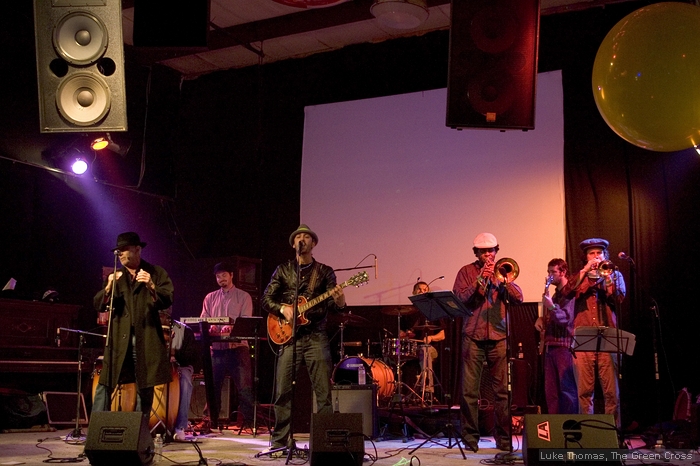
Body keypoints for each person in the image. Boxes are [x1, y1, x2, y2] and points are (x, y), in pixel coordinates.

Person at [261, 224, 346, 455]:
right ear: (293, 244)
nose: (302, 239)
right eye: (298, 236)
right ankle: (279, 442)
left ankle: (326, 441)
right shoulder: (283, 270)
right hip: (288, 338)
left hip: (316, 336)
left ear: (313, 243)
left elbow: (332, 305)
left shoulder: (325, 271)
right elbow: (266, 299)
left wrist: (339, 301)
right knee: (282, 391)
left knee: (323, 392)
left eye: (306, 237)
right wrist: (282, 309)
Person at [452, 232, 523, 453]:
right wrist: (480, 279)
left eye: (491, 250)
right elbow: (460, 298)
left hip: (499, 336)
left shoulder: (503, 270)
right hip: (473, 336)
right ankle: (470, 438)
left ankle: (503, 439)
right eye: (483, 251)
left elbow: (519, 298)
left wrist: (504, 281)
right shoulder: (466, 272)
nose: (488, 254)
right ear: (477, 253)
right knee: (469, 392)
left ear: (496, 251)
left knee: (502, 392)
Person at [92, 232, 174, 417]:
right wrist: (108, 287)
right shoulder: (116, 276)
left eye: (124, 250)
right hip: (119, 340)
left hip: (145, 338)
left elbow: (168, 299)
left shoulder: (156, 273)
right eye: (117, 251)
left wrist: (151, 285)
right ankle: (97, 430)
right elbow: (98, 304)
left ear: (138, 249)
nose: (120, 254)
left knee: (144, 384)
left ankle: (139, 433)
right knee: (106, 382)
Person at [571, 238, 626, 427]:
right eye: (591, 253)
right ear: (585, 257)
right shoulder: (579, 276)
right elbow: (568, 291)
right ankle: (587, 433)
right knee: (584, 391)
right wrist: (586, 271)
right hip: (584, 340)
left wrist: (608, 278)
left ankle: (613, 432)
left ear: (605, 255)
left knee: (611, 391)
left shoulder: (615, 275)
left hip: (608, 338)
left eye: (599, 253)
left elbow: (619, 298)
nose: (595, 256)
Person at [200, 262, 255, 429]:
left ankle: (248, 423)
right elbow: (203, 320)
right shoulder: (210, 297)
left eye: (224, 275)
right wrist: (212, 327)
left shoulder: (243, 296)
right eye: (217, 276)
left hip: (237, 348)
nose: (220, 279)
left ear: (231, 275)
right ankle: (212, 421)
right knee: (213, 385)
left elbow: (245, 321)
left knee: (244, 387)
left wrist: (230, 328)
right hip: (217, 348)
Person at [534, 258, 578, 415]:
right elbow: (551, 317)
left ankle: (570, 426)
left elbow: (565, 319)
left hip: (564, 346)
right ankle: (555, 427)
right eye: (548, 272)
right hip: (551, 346)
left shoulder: (570, 293)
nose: (550, 276)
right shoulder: (555, 294)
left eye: (553, 272)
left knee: (567, 390)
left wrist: (551, 306)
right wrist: (541, 318)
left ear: (563, 272)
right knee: (551, 392)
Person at [159, 311, 199, 441]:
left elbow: (191, 357)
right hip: (155, 366)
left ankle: (180, 427)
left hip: (180, 366)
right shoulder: (149, 328)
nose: (162, 317)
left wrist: (174, 353)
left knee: (185, 380)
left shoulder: (184, 330)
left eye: (164, 315)